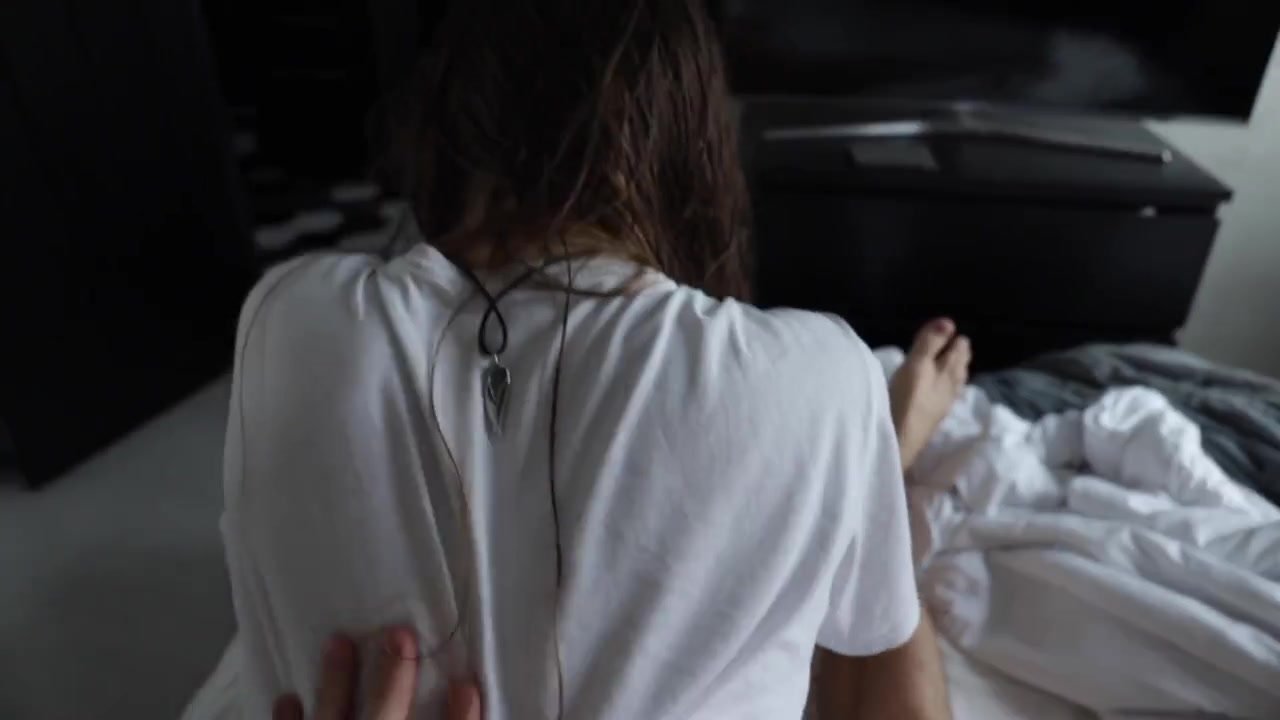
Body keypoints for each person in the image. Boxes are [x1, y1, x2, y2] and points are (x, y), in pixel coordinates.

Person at [224, 0, 969, 717]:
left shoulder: (288, 321)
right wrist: (881, 453)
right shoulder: (819, 380)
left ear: (448, 123)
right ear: (691, 141)